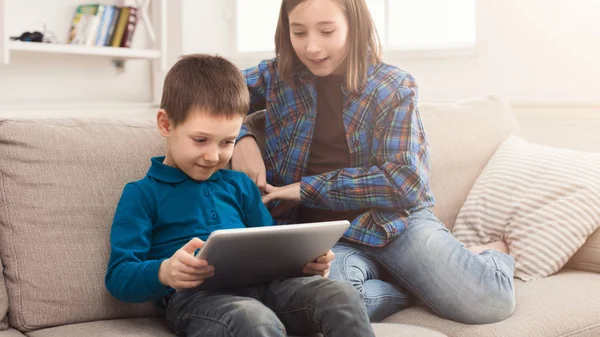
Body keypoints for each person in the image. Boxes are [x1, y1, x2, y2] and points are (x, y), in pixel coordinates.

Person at [231, 0, 516, 324]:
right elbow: (205, 95)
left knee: (491, 302)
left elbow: (405, 180)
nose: (311, 47)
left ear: (354, 25)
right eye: (299, 32)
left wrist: (306, 190)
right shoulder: (275, 76)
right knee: (332, 308)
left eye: (327, 31)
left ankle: (491, 256)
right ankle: (411, 286)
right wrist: (242, 140)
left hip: (394, 225)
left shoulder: (392, 86)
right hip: (328, 238)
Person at [105, 54, 375, 337]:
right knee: (252, 318)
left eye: (227, 142)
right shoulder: (142, 194)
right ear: (166, 124)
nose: (213, 156)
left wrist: (306, 264)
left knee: (339, 294)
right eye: (200, 140)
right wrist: (164, 272)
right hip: (199, 299)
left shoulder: (239, 185)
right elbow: (119, 276)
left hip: (270, 289)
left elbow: (273, 249)